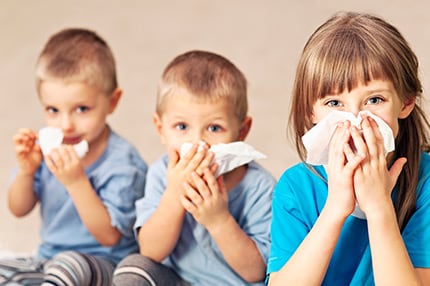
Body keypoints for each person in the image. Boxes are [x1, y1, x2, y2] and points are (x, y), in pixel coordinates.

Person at [266, 11, 430, 285]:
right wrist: (335, 209)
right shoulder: (296, 187)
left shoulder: (424, 182)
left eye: (374, 100)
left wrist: (379, 207)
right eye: (334, 104)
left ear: (405, 103)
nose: (355, 119)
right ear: (311, 113)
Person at [112, 50, 276, 285]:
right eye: (181, 127)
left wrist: (218, 220)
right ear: (160, 129)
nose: (198, 142)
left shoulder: (259, 187)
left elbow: (257, 272)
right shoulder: (162, 173)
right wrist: (173, 195)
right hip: (178, 280)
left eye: (214, 128)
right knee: (133, 269)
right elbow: (150, 251)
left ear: (241, 132)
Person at [2, 28, 148, 285]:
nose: (65, 124)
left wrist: (76, 182)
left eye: (82, 109)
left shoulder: (123, 163)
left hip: (103, 265)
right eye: (53, 110)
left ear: (112, 102)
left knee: (68, 266)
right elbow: (18, 208)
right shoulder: (47, 151)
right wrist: (26, 171)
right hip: (48, 258)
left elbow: (110, 236)